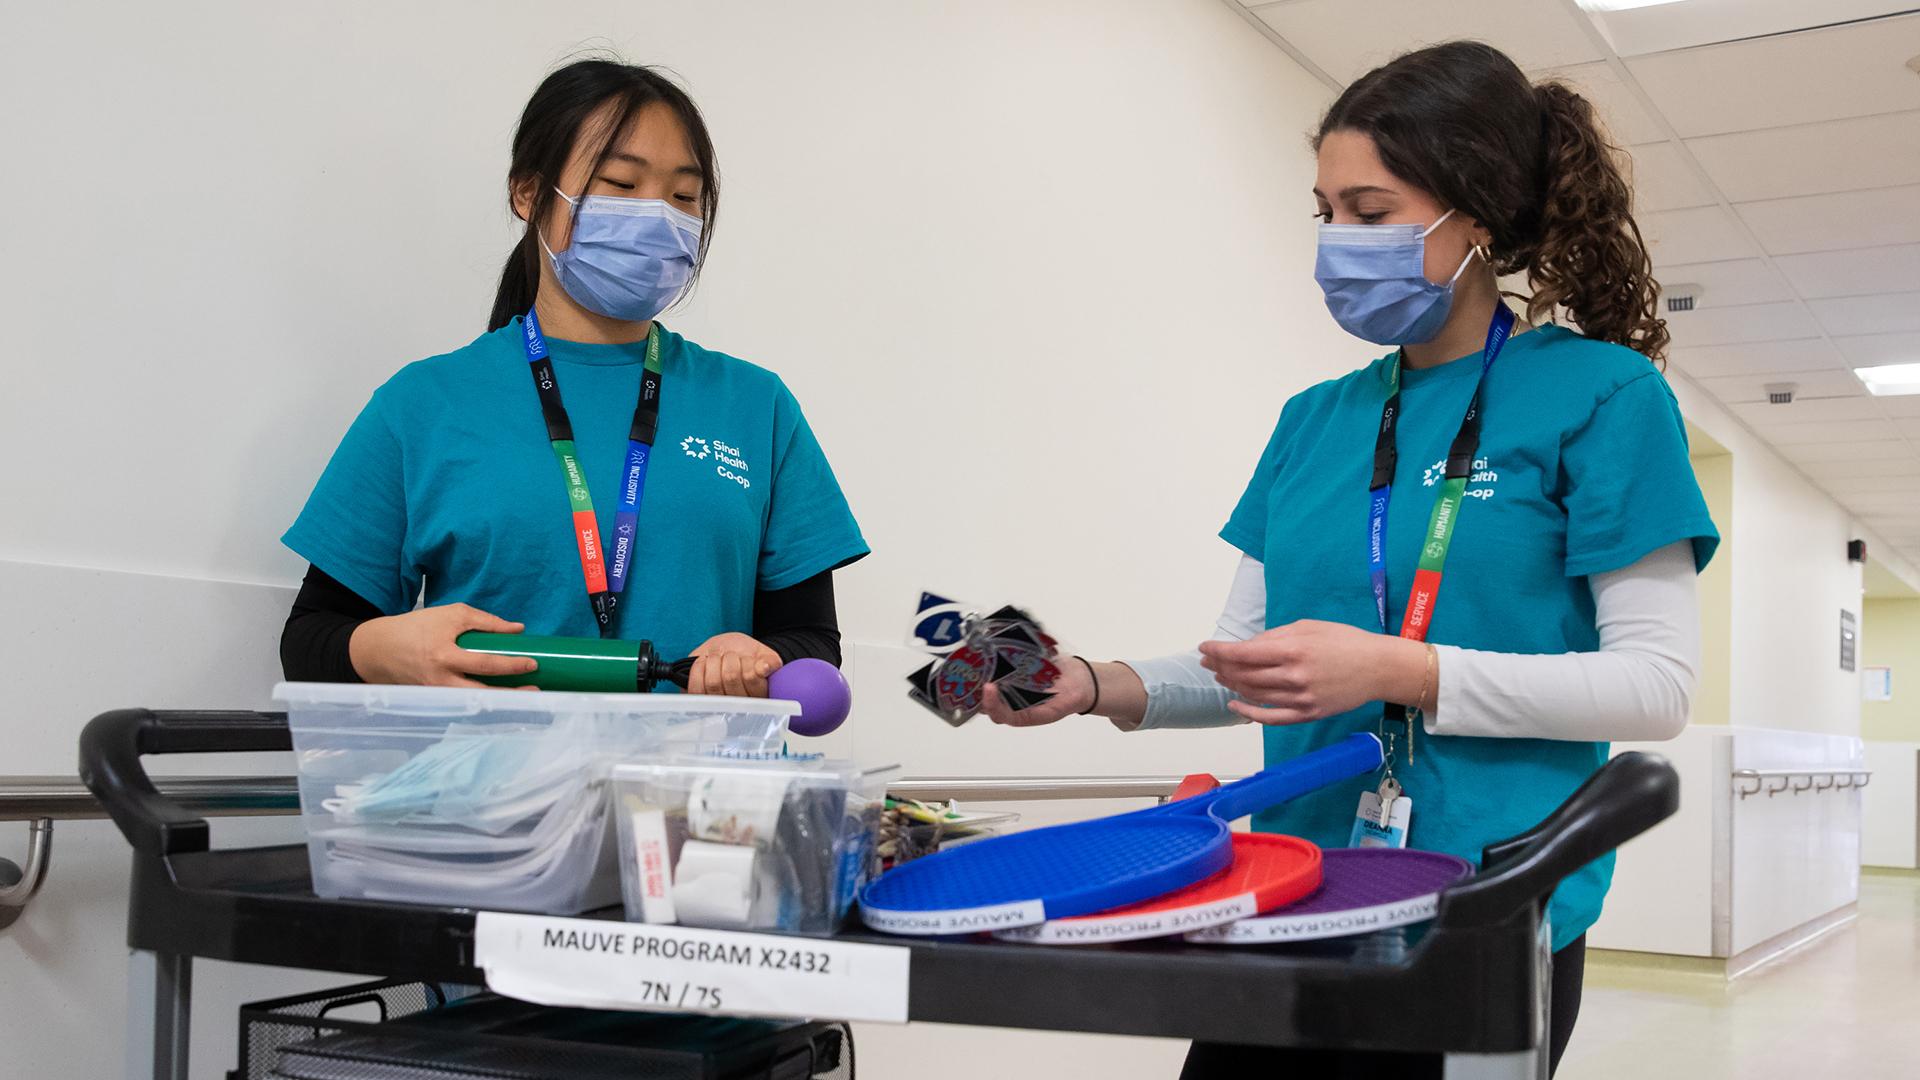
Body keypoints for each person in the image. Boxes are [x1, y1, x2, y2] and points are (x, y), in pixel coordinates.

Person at [981, 41, 1717, 1078]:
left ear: (1475, 214)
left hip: (1483, 913)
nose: (1337, 243)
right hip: (1289, 894)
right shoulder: (1315, 422)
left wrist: (1405, 672)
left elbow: (1655, 690)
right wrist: (1095, 684)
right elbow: (1247, 663)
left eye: (1369, 214)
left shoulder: (1605, 398)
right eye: (1325, 214)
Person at [280, 60, 866, 696]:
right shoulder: (422, 405)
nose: (658, 217)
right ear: (529, 194)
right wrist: (385, 649)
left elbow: (813, 640)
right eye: (620, 183)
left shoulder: (756, 406)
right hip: (488, 789)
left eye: (683, 196)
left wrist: (758, 657)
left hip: (696, 790)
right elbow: (312, 639)